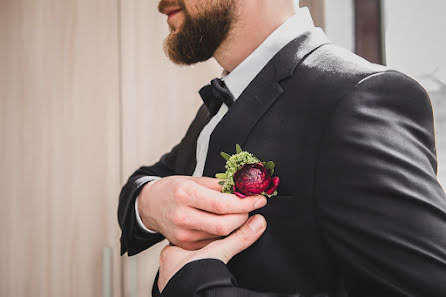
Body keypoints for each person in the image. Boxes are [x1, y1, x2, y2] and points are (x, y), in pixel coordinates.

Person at [118, 0, 446, 296]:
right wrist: (151, 203)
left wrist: (197, 286)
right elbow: (144, 182)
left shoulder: (358, 97)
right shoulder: (217, 104)